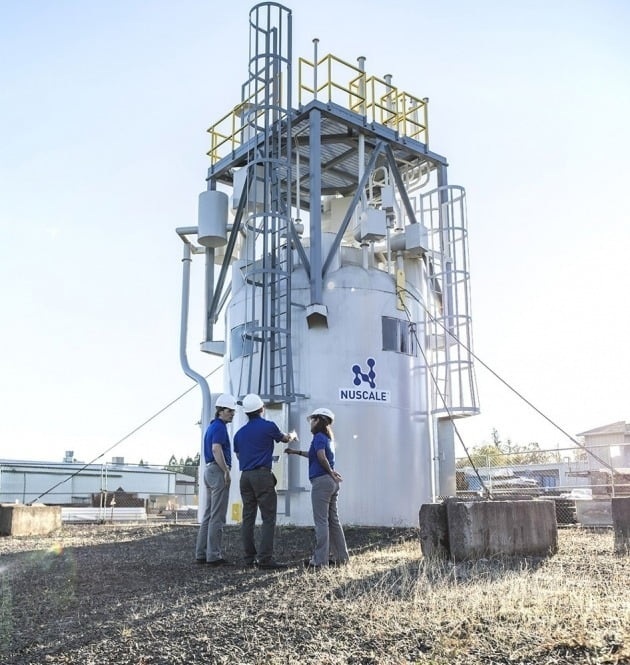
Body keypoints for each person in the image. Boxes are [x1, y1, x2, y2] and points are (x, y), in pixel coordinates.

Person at [234, 393, 296, 569]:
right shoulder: (268, 426)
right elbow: (284, 438)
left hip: (245, 476)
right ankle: (265, 559)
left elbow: (239, 455)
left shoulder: (239, 434)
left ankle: (248, 559)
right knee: (268, 518)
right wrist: (293, 435)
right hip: (262, 475)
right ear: (262, 409)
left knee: (248, 518)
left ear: (246, 412)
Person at [285, 407, 349, 569]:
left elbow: (320, 456)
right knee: (333, 521)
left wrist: (330, 472)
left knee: (321, 522)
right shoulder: (326, 438)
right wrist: (296, 452)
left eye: (313, 419)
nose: (311, 422)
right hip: (331, 483)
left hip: (322, 482)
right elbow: (315, 454)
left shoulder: (319, 437)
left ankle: (320, 561)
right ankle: (342, 558)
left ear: (319, 420)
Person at [195, 393, 237, 566]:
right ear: (220, 411)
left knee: (208, 514)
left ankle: (201, 553)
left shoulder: (211, 427)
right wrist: (226, 471)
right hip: (217, 470)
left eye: (233, 411)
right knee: (217, 516)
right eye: (229, 411)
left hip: (208, 470)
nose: (232, 414)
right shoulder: (220, 427)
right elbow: (216, 448)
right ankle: (214, 555)